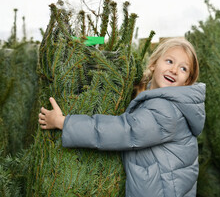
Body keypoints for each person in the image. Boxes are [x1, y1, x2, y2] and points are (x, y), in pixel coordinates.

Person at [38, 37, 206, 197]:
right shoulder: (155, 97)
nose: (174, 70)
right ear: (154, 64)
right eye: (169, 61)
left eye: (183, 68)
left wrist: (64, 122)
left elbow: (124, 130)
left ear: (187, 81)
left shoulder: (167, 110)